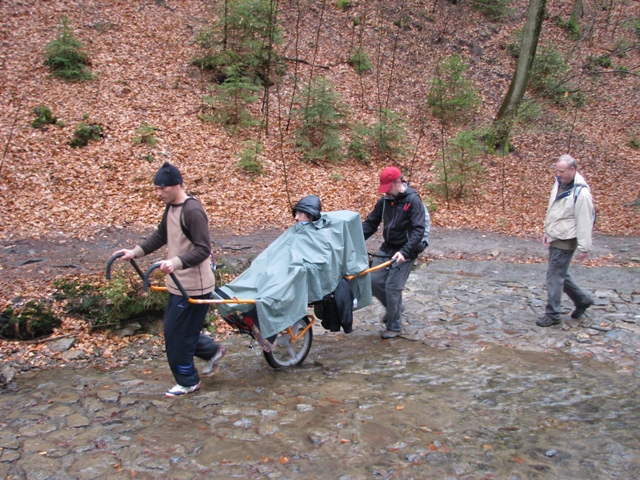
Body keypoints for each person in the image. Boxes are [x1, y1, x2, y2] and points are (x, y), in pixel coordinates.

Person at [113, 162, 226, 397]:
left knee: (177, 336)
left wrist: (173, 263)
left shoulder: (192, 211)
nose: (158, 193)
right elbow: (161, 235)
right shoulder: (172, 208)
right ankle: (212, 351)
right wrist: (135, 252)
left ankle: (188, 381)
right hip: (178, 283)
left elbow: (203, 250)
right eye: (156, 189)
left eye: (161, 188)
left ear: (176, 185)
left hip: (195, 286)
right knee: (179, 332)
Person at [362, 166, 427, 339]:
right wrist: (354, 241)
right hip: (388, 247)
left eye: (388, 189)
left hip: (407, 250)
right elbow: (370, 224)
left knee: (392, 288)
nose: (386, 193)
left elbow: (418, 230)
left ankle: (394, 326)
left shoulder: (413, 201)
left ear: (398, 183)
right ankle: (395, 308)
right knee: (373, 280)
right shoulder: (384, 202)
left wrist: (405, 251)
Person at [537, 154, 595, 327]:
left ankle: (553, 314)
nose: (558, 174)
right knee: (560, 272)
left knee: (554, 276)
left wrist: (584, 247)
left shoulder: (581, 193)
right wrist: (547, 231)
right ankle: (582, 299)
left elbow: (585, 220)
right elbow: (553, 210)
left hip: (566, 239)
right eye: (557, 170)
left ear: (573, 169)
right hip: (556, 234)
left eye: (562, 171)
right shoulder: (559, 183)